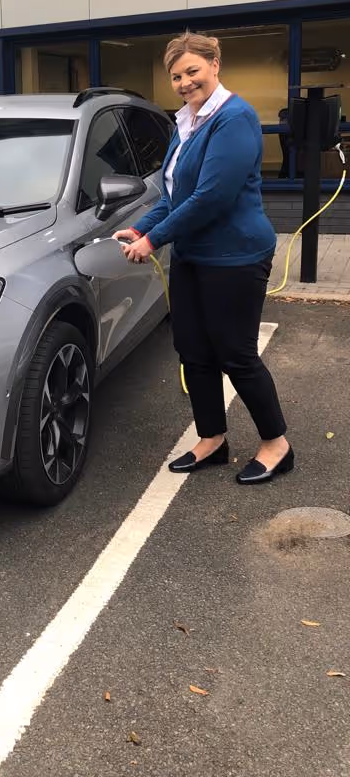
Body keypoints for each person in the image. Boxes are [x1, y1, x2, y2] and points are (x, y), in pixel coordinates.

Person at [114, 31, 292, 485]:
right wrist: (140, 227)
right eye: (176, 76)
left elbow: (212, 196)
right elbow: (175, 193)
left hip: (235, 255)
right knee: (193, 350)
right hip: (194, 254)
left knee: (235, 353)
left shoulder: (234, 118)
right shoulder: (187, 121)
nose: (185, 82)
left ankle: (277, 445)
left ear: (215, 65)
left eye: (192, 71)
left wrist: (152, 242)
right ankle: (212, 439)